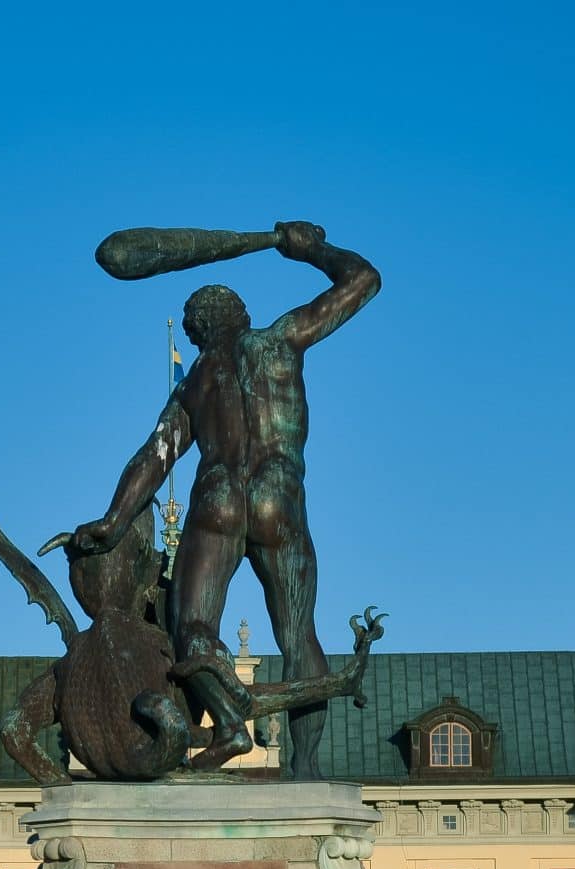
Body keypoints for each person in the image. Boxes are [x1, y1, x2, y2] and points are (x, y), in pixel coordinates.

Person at [72, 221, 379, 780]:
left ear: (196, 334)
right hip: (279, 501)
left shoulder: (194, 385)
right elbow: (363, 281)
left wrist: (113, 522)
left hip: (217, 500)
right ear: (240, 316)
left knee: (190, 628)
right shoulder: (280, 340)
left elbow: (153, 457)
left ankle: (230, 723)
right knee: (298, 634)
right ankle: (305, 770)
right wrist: (312, 251)